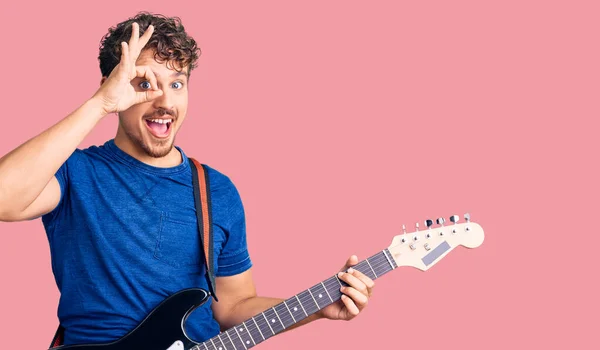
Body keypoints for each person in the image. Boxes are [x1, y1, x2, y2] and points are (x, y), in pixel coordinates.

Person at [0, 12, 374, 346]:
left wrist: (318, 308)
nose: (165, 101)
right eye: (144, 83)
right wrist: (99, 104)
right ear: (113, 86)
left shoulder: (217, 191)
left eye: (177, 84)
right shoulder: (75, 172)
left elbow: (232, 307)